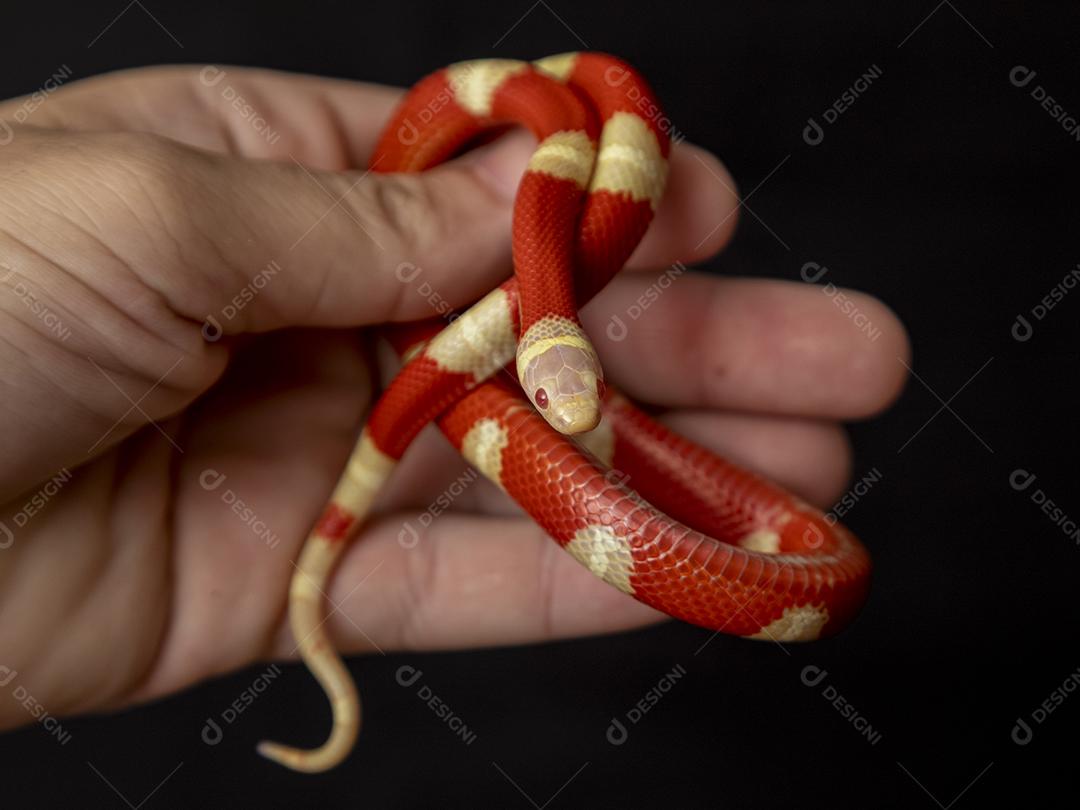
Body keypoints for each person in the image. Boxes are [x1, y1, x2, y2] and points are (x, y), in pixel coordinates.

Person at [0, 65, 908, 731]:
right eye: (566, 398)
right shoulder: (538, 293)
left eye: (577, 396)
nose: (580, 416)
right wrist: (466, 204)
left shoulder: (554, 335)